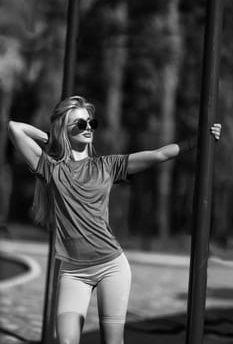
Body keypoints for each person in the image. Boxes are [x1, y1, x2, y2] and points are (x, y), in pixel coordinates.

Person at [8, 95, 221, 344]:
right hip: (73, 271)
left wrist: (198, 141)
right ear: (64, 130)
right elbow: (15, 127)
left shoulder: (107, 166)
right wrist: (51, 138)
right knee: (66, 341)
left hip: (112, 267)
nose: (88, 128)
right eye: (79, 124)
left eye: (91, 123)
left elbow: (158, 155)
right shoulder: (51, 169)